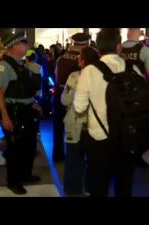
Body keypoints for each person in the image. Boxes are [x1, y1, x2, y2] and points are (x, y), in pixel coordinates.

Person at [73, 28, 140, 197]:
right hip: (127, 138)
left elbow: (79, 108)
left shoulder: (89, 71)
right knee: (124, 186)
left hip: (99, 138)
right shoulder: (132, 69)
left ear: (99, 47)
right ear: (119, 46)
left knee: (98, 186)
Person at [0, 31, 42, 195]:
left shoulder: (20, 64)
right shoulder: (4, 66)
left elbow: (24, 88)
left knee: (29, 146)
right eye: (24, 44)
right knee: (15, 149)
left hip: (27, 110)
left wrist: (32, 103)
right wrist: (5, 116)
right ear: (15, 46)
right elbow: (0, 92)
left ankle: (26, 174)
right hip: (14, 112)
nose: (27, 46)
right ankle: (13, 182)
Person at [61, 46, 100, 196]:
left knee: (73, 158)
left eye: (79, 57)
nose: (78, 59)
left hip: (76, 123)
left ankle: (73, 189)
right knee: (94, 160)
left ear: (83, 61)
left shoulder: (75, 77)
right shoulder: (102, 77)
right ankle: (91, 187)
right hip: (95, 124)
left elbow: (65, 100)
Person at [53, 32, 90, 161]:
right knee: (75, 127)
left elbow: (56, 76)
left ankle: (57, 154)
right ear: (85, 44)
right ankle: (76, 156)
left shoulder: (61, 57)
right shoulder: (83, 59)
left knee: (58, 126)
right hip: (74, 95)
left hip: (59, 92)